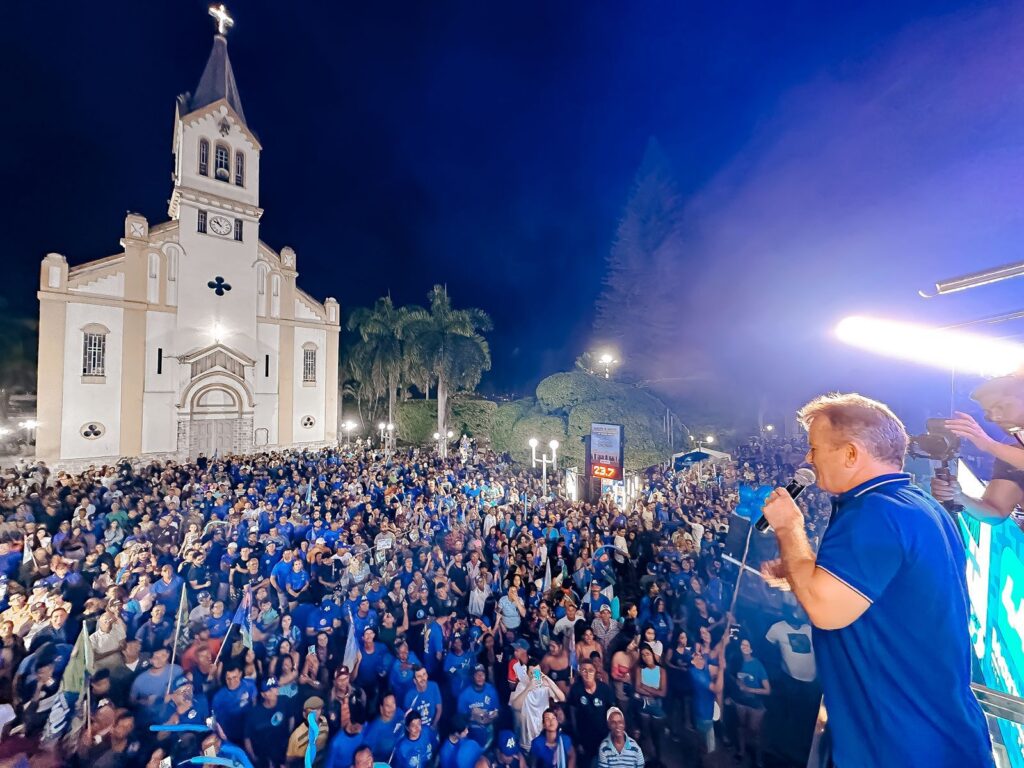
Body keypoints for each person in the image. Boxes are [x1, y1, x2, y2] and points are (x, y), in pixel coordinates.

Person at [760, 392, 993, 767]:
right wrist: (800, 573)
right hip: (935, 734)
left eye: (814, 448)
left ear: (851, 454)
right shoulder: (916, 503)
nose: (808, 459)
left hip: (899, 744)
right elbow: (884, 592)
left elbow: (825, 610)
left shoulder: (874, 513)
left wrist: (789, 527)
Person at [931, 375, 1024, 526]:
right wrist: (959, 496)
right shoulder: (1007, 456)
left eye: (1002, 406)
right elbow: (996, 512)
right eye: (988, 412)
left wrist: (989, 445)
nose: (994, 417)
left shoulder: (1000, 450)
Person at [566, 658, 613, 768]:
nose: (587, 673)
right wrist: (577, 739)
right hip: (584, 738)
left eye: (590, 670)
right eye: (584, 670)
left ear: (595, 672)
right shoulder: (576, 689)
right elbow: (572, 714)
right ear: (580, 672)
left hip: (603, 736)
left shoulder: (604, 689)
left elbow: (612, 712)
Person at [730, 638, 769, 767]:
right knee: (741, 727)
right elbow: (732, 678)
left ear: (752, 649)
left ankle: (758, 758)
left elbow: (768, 690)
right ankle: (741, 752)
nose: (744, 647)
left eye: (747, 645)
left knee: (754, 731)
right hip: (740, 701)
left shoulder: (757, 665)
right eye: (742, 644)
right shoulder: (736, 661)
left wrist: (748, 689)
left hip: (754, 703)